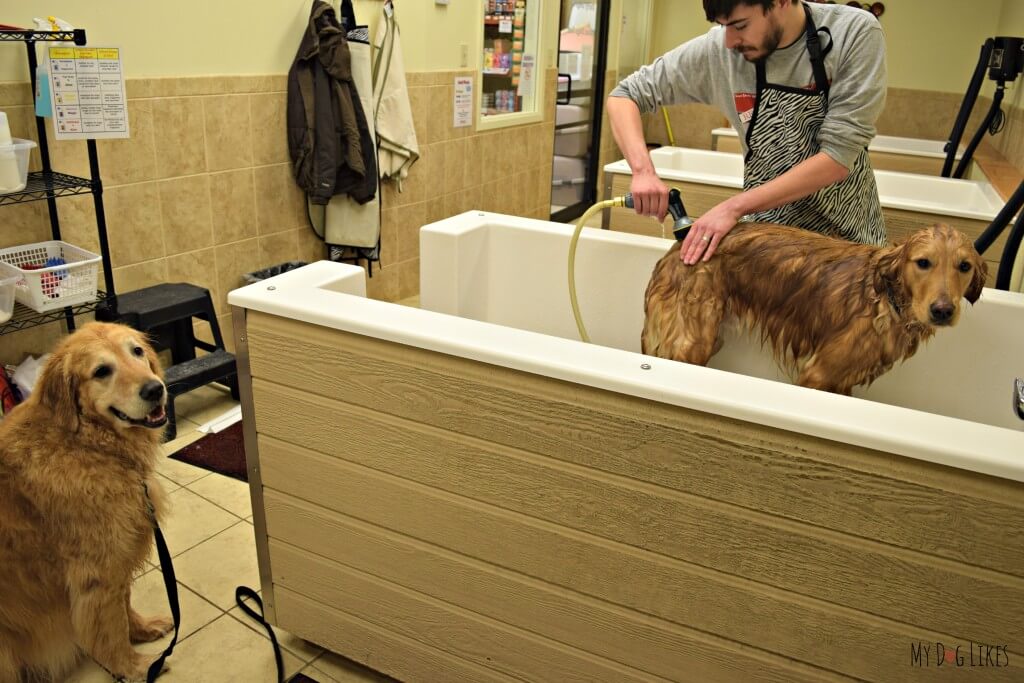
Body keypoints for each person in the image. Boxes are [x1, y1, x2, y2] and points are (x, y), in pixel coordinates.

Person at [607, 0, 888, 265]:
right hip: (768, 243)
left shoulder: (854, 32)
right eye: (722, 26)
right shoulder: (721, 49)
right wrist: (643, 171)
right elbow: (624, 95)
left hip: (847, 243)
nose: (729, 42)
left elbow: (837, 158)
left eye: (740, 25)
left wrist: (732, 208)